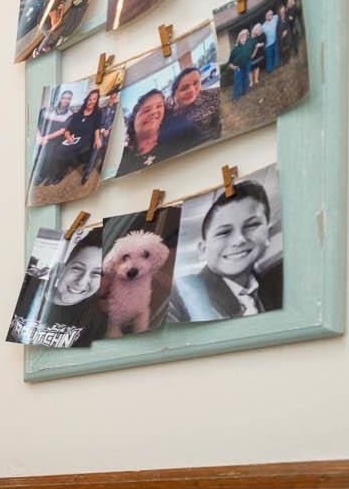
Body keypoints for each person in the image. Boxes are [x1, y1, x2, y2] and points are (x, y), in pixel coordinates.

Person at [167, 181, 284, 323]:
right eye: (224, 232)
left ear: (267, 234)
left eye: (252, 225)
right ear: (203, 250)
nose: (239, 239)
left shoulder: (271, 289)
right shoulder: (179, 295)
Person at [156, 66, 214, 159]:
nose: (192, 90)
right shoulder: (164, 113)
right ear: (173, 95)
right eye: (184, 88)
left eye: (196, 83)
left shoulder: (211, 100)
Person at [31, 89, 79, 185]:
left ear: (70, 100)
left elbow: (62, 131)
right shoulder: (46, 110)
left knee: (48, 151)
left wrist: (45, 138)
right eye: (64, 98)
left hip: (54, 139)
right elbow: (34, 122)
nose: (65, 100)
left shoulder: (70, 115)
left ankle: (40, 176)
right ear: (60, 98)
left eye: (68, 99)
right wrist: (39, 137)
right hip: (38, 135)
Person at [120, 88, 168, 172]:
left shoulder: (174, 140)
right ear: (133, 120)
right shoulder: (122, 155)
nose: (154, 112)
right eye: (146, 110)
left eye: (159, 106)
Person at [228, 28, 255, 99]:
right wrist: (233, 67)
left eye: (245, 37)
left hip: (247, 64)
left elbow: (254, 45)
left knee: (246, 78)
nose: (243, 39)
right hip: (238, 67)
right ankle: (235, 97)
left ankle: (245, 91)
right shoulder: (235, 49)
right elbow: (230, 62)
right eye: (242, 37)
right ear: (239, 39)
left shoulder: (248, 46)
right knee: (238, 81)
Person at [262, 5, 283, 73]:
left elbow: (281, 14)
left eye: (271, 14)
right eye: (268, 15)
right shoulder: (263, 26)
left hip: (275, 40)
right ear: (265, 16)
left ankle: (276, 66)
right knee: (269, 57)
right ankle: (269, 70)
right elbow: (261, 36)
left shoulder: (275, 18)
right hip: (268, 44)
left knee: (276, 53)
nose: (270, 16)